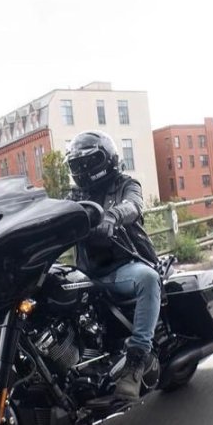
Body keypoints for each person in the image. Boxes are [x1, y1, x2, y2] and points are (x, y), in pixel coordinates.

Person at [65, 130, 161, 401]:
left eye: (89, 162)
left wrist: (112, 217)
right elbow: (53, 216)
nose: (83, 169)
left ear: (107, 159)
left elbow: (134, 205)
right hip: (87, 273)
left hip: (123, 266)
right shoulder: (74, 197)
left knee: (147, 278)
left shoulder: (125, 184)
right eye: (77, 164)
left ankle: (136, 362)